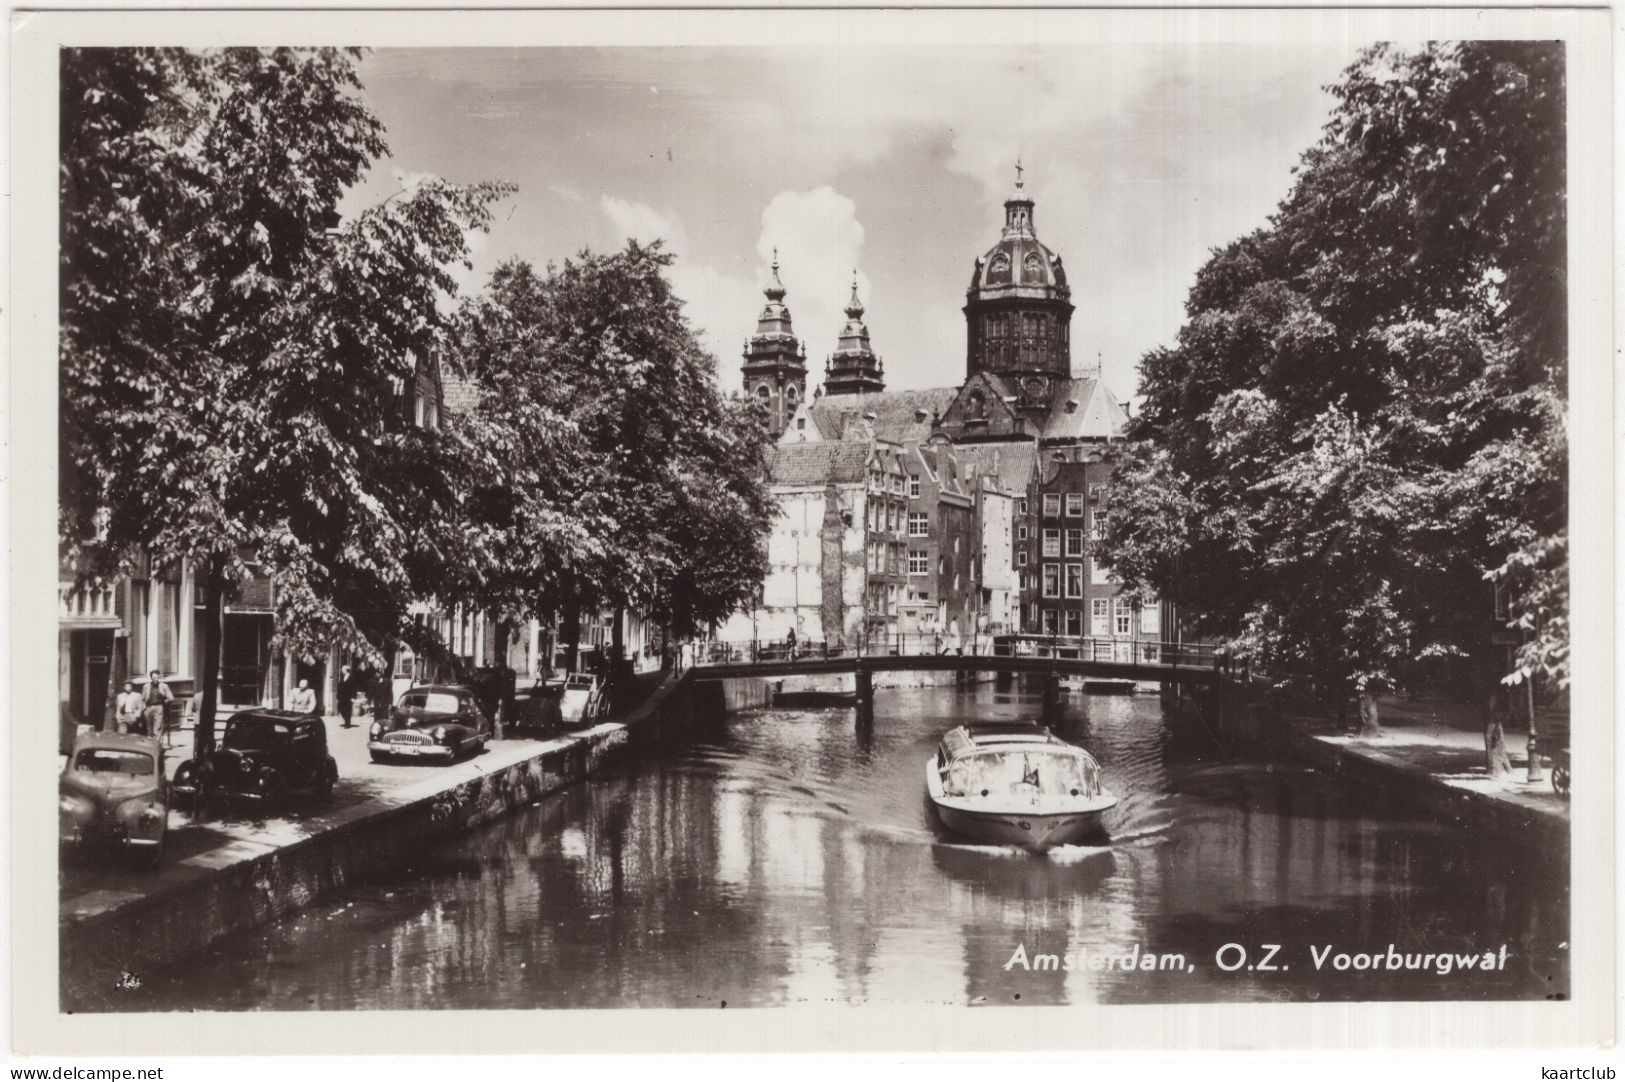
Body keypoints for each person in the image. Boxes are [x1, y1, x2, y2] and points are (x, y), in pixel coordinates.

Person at [140, 670, 172, 740]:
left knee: (157, 729)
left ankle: (156, 746)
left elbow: (170, 698)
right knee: (149, 729)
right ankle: (150, 747)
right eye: (154, 678)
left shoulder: (164, 686)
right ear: (151, 678)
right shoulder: (146, 686)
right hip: (148, 708)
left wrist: (164, 702)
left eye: (157, 677)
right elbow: (142, 699)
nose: (156, 679)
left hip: (159, 708)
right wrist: (143, 708)